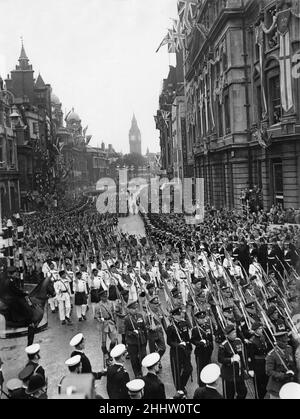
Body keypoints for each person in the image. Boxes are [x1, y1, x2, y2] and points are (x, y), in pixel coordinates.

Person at [166, 306, 193, 394]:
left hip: (185, 351)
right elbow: (169, 342)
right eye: (177, 315)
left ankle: (182, 384)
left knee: (189, 369)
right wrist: (178, 345)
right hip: (176, 352)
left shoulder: (184, 323)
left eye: (180, 314)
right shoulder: (171, 327)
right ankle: (179, 389)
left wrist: (189, 347)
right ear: (173, 316)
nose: (180, 316)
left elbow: (187, 337)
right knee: (177, 371)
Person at [218, 324, 247, 399]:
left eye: (235, 332)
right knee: (230, 395)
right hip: (229, 374)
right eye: (233, 333)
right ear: (227, 335)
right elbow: (220, 359)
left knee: (243, 391)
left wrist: (245, 368)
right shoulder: (223, 345)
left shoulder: (238, 341)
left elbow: (242, 356)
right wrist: (231, 359)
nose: (235, 334)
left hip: (239, 372)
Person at [265, 331, 297, 399]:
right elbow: (269, 371)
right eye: (284, 342)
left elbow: (292, 363)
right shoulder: (272, 355)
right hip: (276, 387)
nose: (286, 343)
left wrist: (293, 372)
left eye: (286, 342)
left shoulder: (289, 349)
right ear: (278, 342)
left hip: (288, 384)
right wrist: (283, 375)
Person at [124, 300, 148, 378]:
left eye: (136, 308)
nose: (135, 310)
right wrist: (132, 333)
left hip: (141, 340)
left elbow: (144, 328)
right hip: (132, 342)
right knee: (134, 359)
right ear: (129, 309)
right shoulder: (127, 319)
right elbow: (126, 332)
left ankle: (142, 371)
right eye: (133, 309)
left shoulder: (140, 316)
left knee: (143, 356)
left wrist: (145, 339)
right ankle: (137, 373)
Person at [191, 309, 214, 386]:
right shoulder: (195, 329)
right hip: (200, 353)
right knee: (201, 369)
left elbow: (210, 338)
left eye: (204, 318)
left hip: (208, 351)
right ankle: (201, 385)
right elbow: (193, 340)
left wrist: (210, 344)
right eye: (201, 318)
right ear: (197, 319)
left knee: (208, 368)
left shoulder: (208, 326)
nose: (203, 320)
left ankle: (208, 383)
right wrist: (199, 343)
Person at [247, 322, 268, 399]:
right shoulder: (251, 341)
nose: (261, 330)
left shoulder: (263, 337)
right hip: (257, 365)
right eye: (259, 329)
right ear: (255, 330)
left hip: (264, 363)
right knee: (258, 386)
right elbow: (250, 357)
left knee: (266, 384)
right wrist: (251, 369)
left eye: (261, 328)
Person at [96, 290, 117, 365]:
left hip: (110, 322)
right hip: (103, 324)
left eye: (106, 296)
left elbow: (113, 312)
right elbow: (96, 316)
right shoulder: (98, 305)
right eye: (104, 297)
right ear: (101, 297)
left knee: (114, 340)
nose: (106, 298)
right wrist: (99, 319)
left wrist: (115, 322)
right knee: (104, 344)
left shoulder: (110, 303)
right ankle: (106, 356)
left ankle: (110, 352)